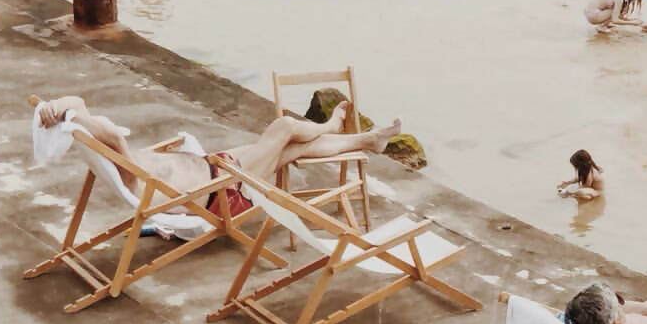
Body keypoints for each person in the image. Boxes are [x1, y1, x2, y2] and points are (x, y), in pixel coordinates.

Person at [34, 95, 402, 196]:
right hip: (224, 188)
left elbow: (105, 132)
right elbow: (111, 135)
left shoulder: (124, 165)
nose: (115, 129)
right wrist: (74, 109)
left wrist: (68, 107)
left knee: (292, 149)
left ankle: (368, 140)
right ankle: (330, 124)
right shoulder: (128, 169)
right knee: (286, 127)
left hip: (215, 169)